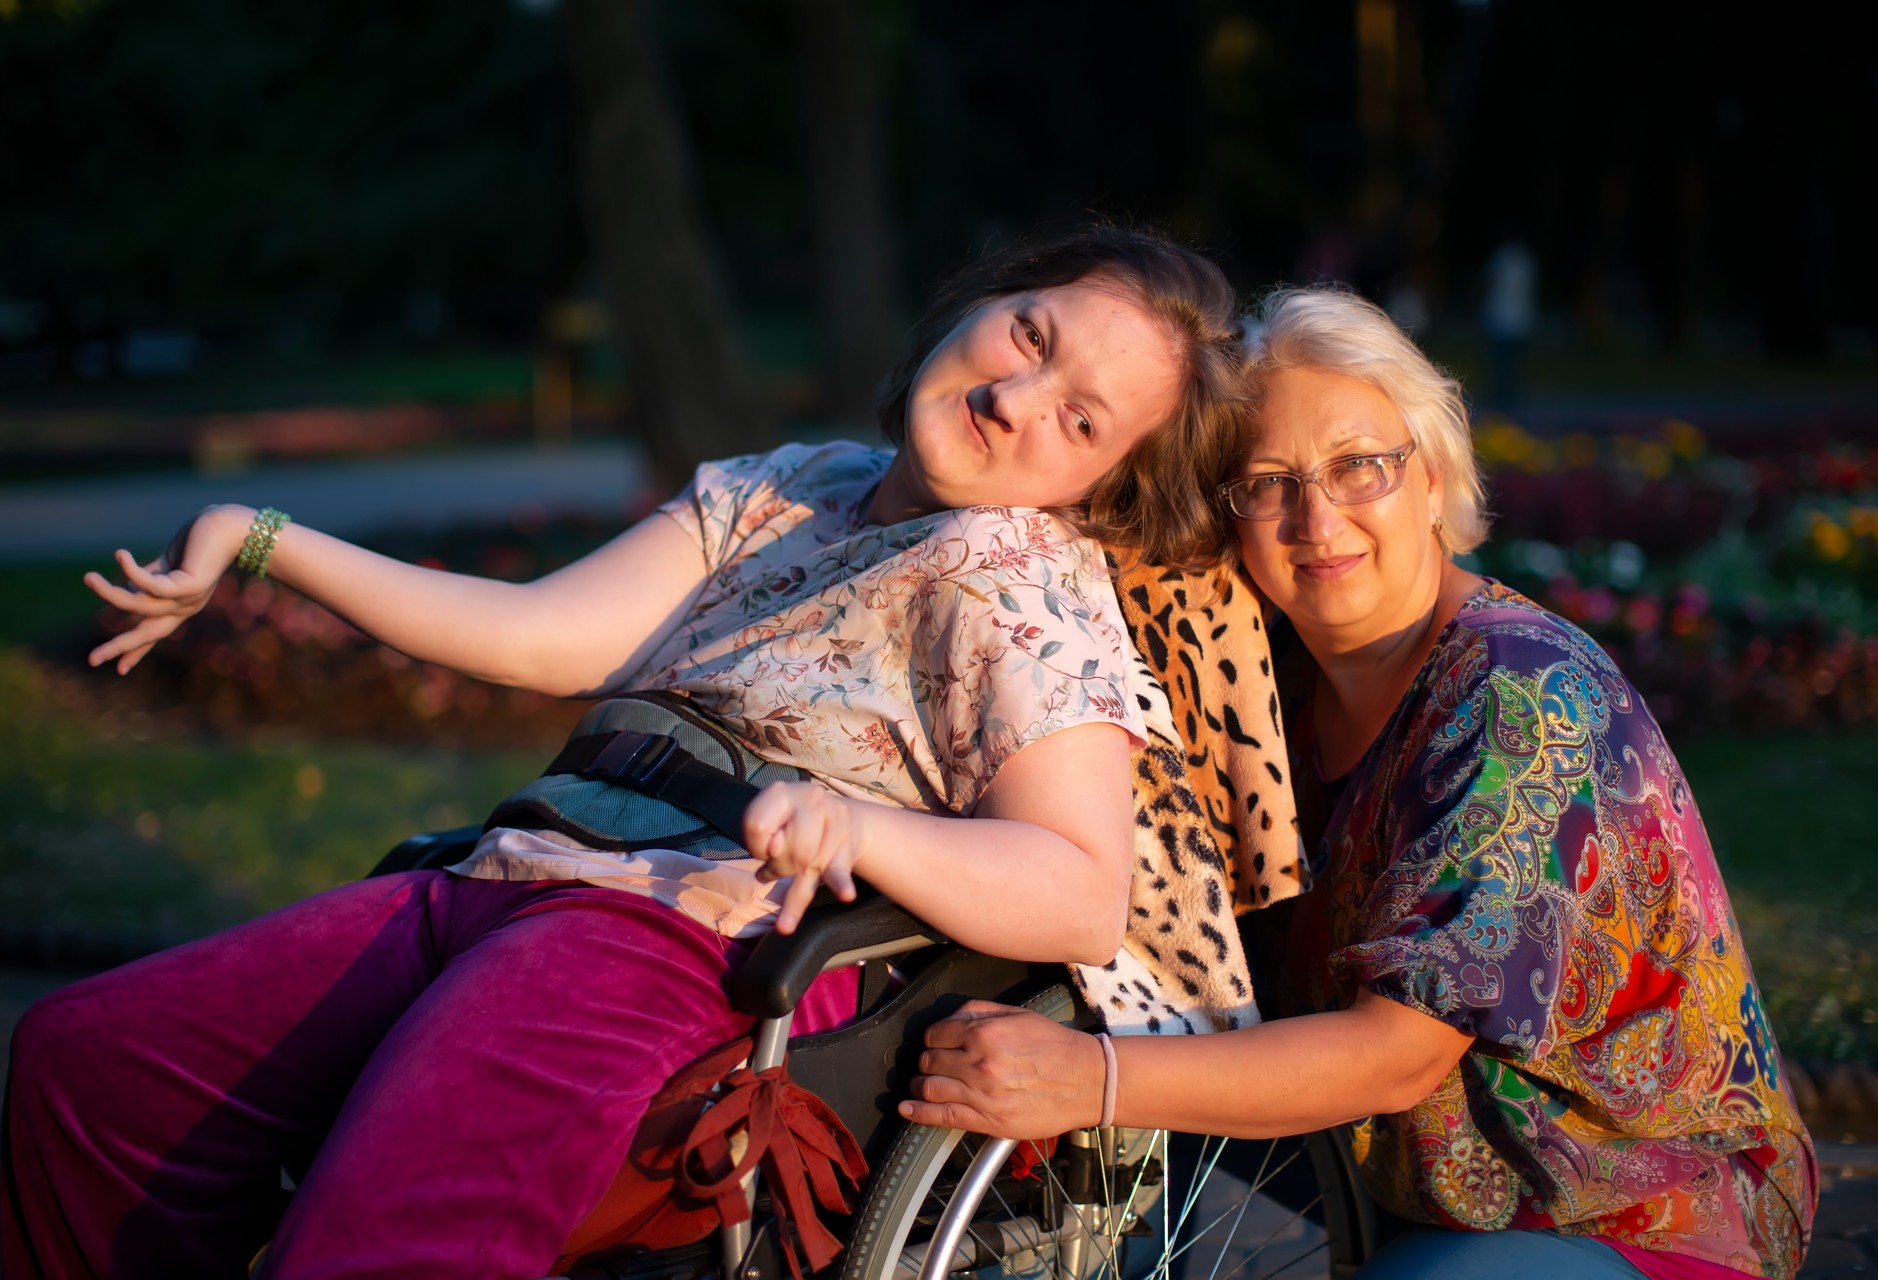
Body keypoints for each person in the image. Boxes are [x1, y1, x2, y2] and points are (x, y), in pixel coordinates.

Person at [1, 226, 1253, 1280]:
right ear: (980, 302)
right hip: (515, 868)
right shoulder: (792, 484)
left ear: (1098, 485)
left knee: (389, 1218)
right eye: (1029, 335)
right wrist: (259, 534)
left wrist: (862, 826)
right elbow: (538, 632)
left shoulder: (1027, 585)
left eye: (1079, 418)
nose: (1014, 398)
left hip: (686, 936)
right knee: (92, 1064)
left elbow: (1082, 890)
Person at [902, 285, 1815, 1279]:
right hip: (1402, 1168)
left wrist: (1092, 1077)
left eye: (1360, 467)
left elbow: (1397, 1052)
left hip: (1621, 1206)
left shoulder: (1519, 695)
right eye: (1267, 479)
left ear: (1432, 480)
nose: (1316, 517)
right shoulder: (1262, 678)